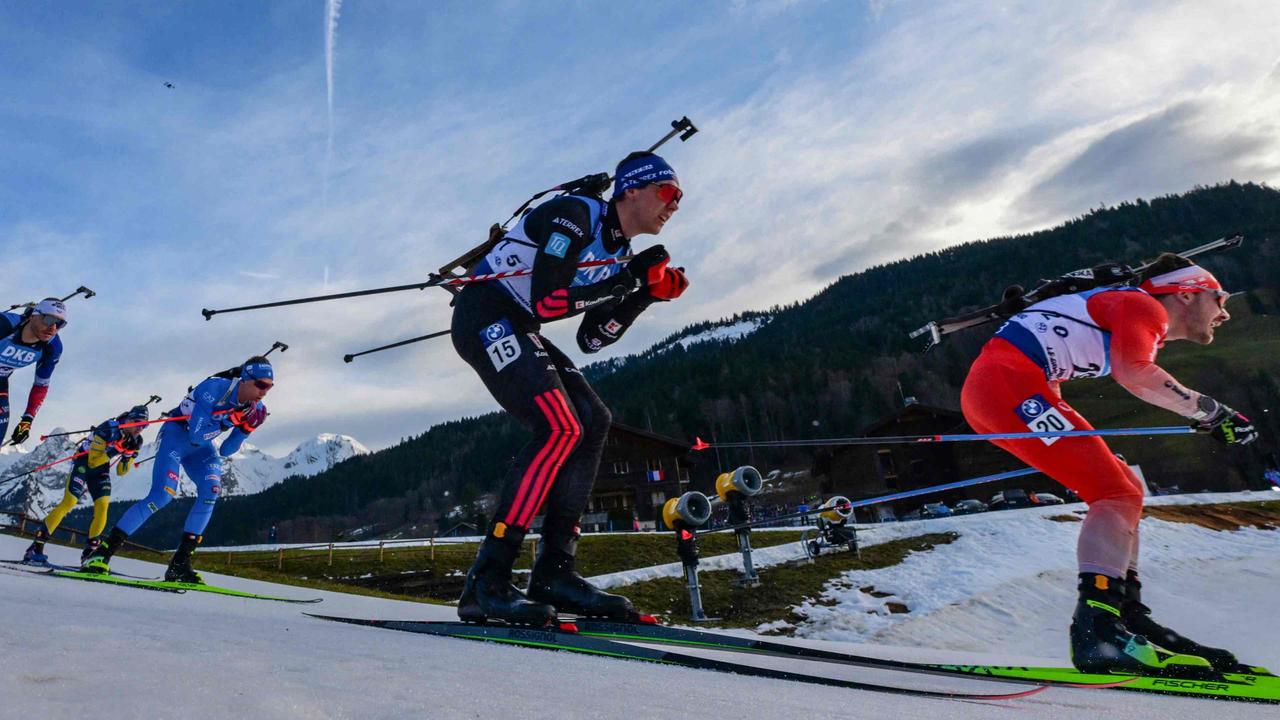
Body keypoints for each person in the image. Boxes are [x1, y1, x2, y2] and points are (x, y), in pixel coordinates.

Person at [960, 254, 1257, 675]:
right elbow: (1133, 372)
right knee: (1113, 493)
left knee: (1125, 490)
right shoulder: (1143, 306)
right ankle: (1098, 628)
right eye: (1219, 298)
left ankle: (1124, 616)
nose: (1225, 312)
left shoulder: (1127, 308)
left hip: (1016, 387)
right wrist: (1210, 412)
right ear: (1186, 294)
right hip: (1010, 387)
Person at [451, 151, 689, 624]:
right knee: (560, 426)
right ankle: (488, 581)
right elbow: (550, 298)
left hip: (520, 323)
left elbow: (592, 338)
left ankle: (555, 572)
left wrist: (643, 294)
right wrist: (628, 279)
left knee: (593, 419)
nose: (675, 205)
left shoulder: (619, 254)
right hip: (485, 313)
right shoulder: (577, 214)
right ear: (632, 189)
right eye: (669, 193)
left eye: (680, 199)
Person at [83, 357, 273, 582]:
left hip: (202, 448)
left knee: (212, 490)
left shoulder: (257, 410)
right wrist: (227, 421)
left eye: (269, 386)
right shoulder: (213, 388)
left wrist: (248, 427)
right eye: (260, 384)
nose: (264, 392)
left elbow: (227, 450)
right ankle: (101, 554)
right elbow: (196, 433)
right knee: (162, 496)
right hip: (177, 435)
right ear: (245, 379)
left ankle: (179, 565)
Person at [22, 405, 149, 564]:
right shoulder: (109, 428)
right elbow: (93, 461)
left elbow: (121, 472)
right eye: (138, 423)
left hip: (101, 469)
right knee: (69, 502)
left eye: (145, 426)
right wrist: (116, 449)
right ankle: (36, 547)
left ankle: (90, 552)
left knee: (103, 506)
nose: (140, 429)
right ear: (129, 419)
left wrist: (128, 456)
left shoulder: (137, 440)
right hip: (84, 463)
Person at [0, 299, 66, 446]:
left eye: (60, 324)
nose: (53, 328)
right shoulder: (5, 325)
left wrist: (27, 419)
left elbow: (41, 384)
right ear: (33, 316)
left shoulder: (52, 347)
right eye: (49, 319)